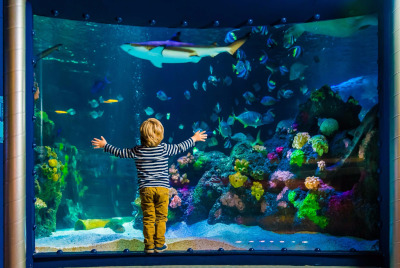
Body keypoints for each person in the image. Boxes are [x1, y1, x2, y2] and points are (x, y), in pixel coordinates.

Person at [91, 118, 207, 254]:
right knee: (161, 217)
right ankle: (159, 244)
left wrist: (105, 145)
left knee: (148, 218)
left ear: (142, 135)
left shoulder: (138, 150)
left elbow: (121, 153)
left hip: (146, 190)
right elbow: (181, 146)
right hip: (162, 190)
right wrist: (194, 138)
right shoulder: (165, 148)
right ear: (160, 135)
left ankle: (149, 246)